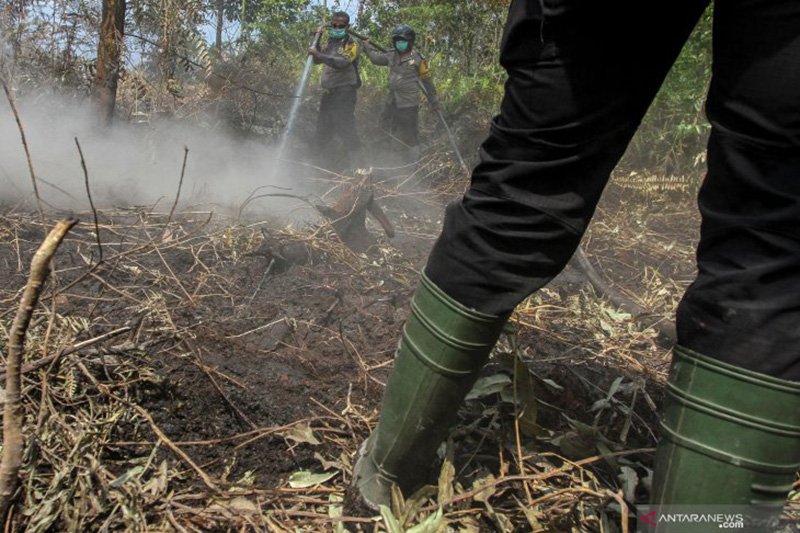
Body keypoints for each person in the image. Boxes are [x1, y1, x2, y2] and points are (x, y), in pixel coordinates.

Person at [352, 0, 800, 526]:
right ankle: (702, 520)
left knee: (526, 182)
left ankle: (385, 476)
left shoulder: (419, 60)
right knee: (777, 228)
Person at [362, 25, 440, 166]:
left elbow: (427, 81)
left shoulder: (419, 59)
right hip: (392, 101)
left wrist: (434, 100)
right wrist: (367, 48)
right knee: (385, 126)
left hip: (408, 103)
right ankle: (384, 157)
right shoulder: (391, 54)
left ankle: (414, 163)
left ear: (410, 41)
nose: (400, 43)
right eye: (397, 40)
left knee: (409, 133)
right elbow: (376, 59)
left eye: (403, 40)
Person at [308, 12, 362, 171]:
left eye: (341, 26)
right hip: (329, 93)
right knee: (323, 128)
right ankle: (317, 164)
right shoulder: (331, 43)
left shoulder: (352, 44)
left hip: (345, 92)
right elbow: (317, 59)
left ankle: (357, 165)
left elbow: (343, 62)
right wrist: (316, 42)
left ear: (348, 27)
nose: (337, 28)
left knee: (346, 126)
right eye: (335, 25)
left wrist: (319, 54)